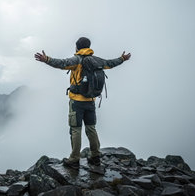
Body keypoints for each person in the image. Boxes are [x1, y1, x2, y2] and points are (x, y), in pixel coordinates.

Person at [34, 37, 131, 168]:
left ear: (77, 47)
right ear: (88, 46)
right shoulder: (97, 60)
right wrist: (122, 59)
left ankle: (74, 159)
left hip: (76, 102)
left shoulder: (77, 60)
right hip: (91, 101)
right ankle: (95, 156)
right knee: (91, 129)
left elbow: (62, 63)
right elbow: (110, 63)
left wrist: (47, 60)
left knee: (75, 130)